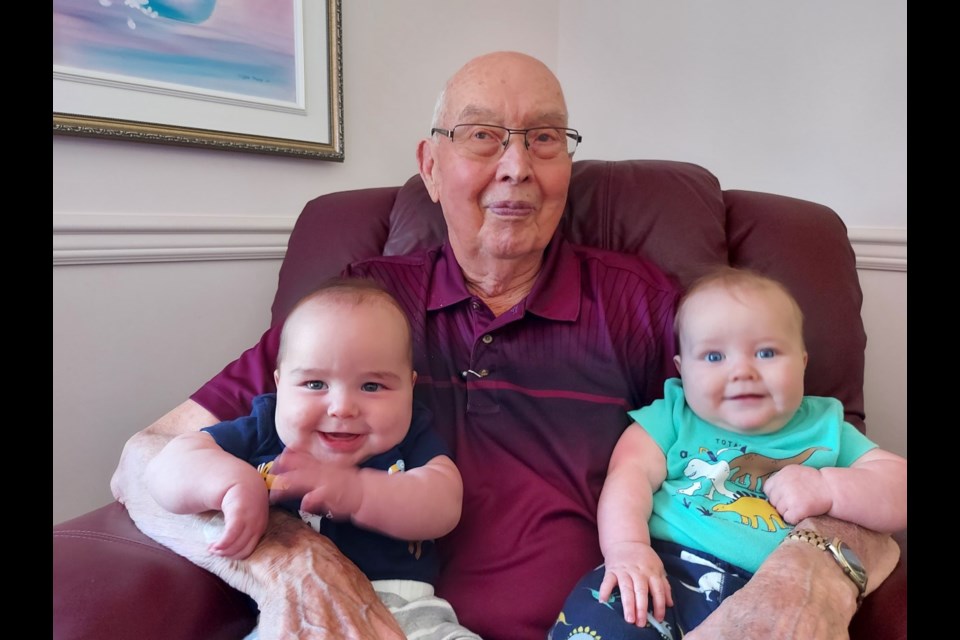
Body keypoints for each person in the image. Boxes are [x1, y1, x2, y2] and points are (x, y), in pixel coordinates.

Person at [111, 51, 901, 640]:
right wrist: (293, 562)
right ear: (431, 164)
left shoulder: (636, 303)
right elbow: (142, 461)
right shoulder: (359, 307)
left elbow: (805, 444)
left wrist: (811, 576)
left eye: (545, 138)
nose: (517, 167)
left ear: (567, 164)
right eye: (484, 137)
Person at [550, 268, 908, 639]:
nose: (742, 370)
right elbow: (628, 475)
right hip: (662, 568)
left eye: (766, 352)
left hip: (773, 594)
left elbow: (899, 486)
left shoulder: (825, 426)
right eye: (713, 356)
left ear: (802, 362)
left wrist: (829, 488)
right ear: (682, 370)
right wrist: (627, 547)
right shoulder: (673, 415)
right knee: (601, 620)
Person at [142, 278, 479, 639]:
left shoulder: (410, 439)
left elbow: (443, 503)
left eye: (372, 386)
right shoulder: (263, 430)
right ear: (280, 383)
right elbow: (165, 466)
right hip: (290, 618)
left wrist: (357, 492)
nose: (342, 407)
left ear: (409, 388)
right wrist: (229, 483)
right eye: (315, 384)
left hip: (408, 617)